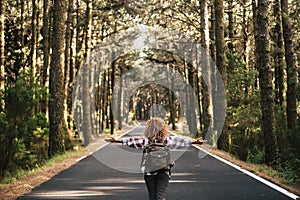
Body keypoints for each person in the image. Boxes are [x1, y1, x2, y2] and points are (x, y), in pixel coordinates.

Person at [105, 118, 204, 200]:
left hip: (149, 172)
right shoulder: (167, 140)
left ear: (148, 129)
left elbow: (131, 141)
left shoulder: (145, 140)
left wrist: (117, 140)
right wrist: (194, 141)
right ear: (163, 129)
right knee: (160, 195)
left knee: (152, 196)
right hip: (164, 171)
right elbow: (182, 141)